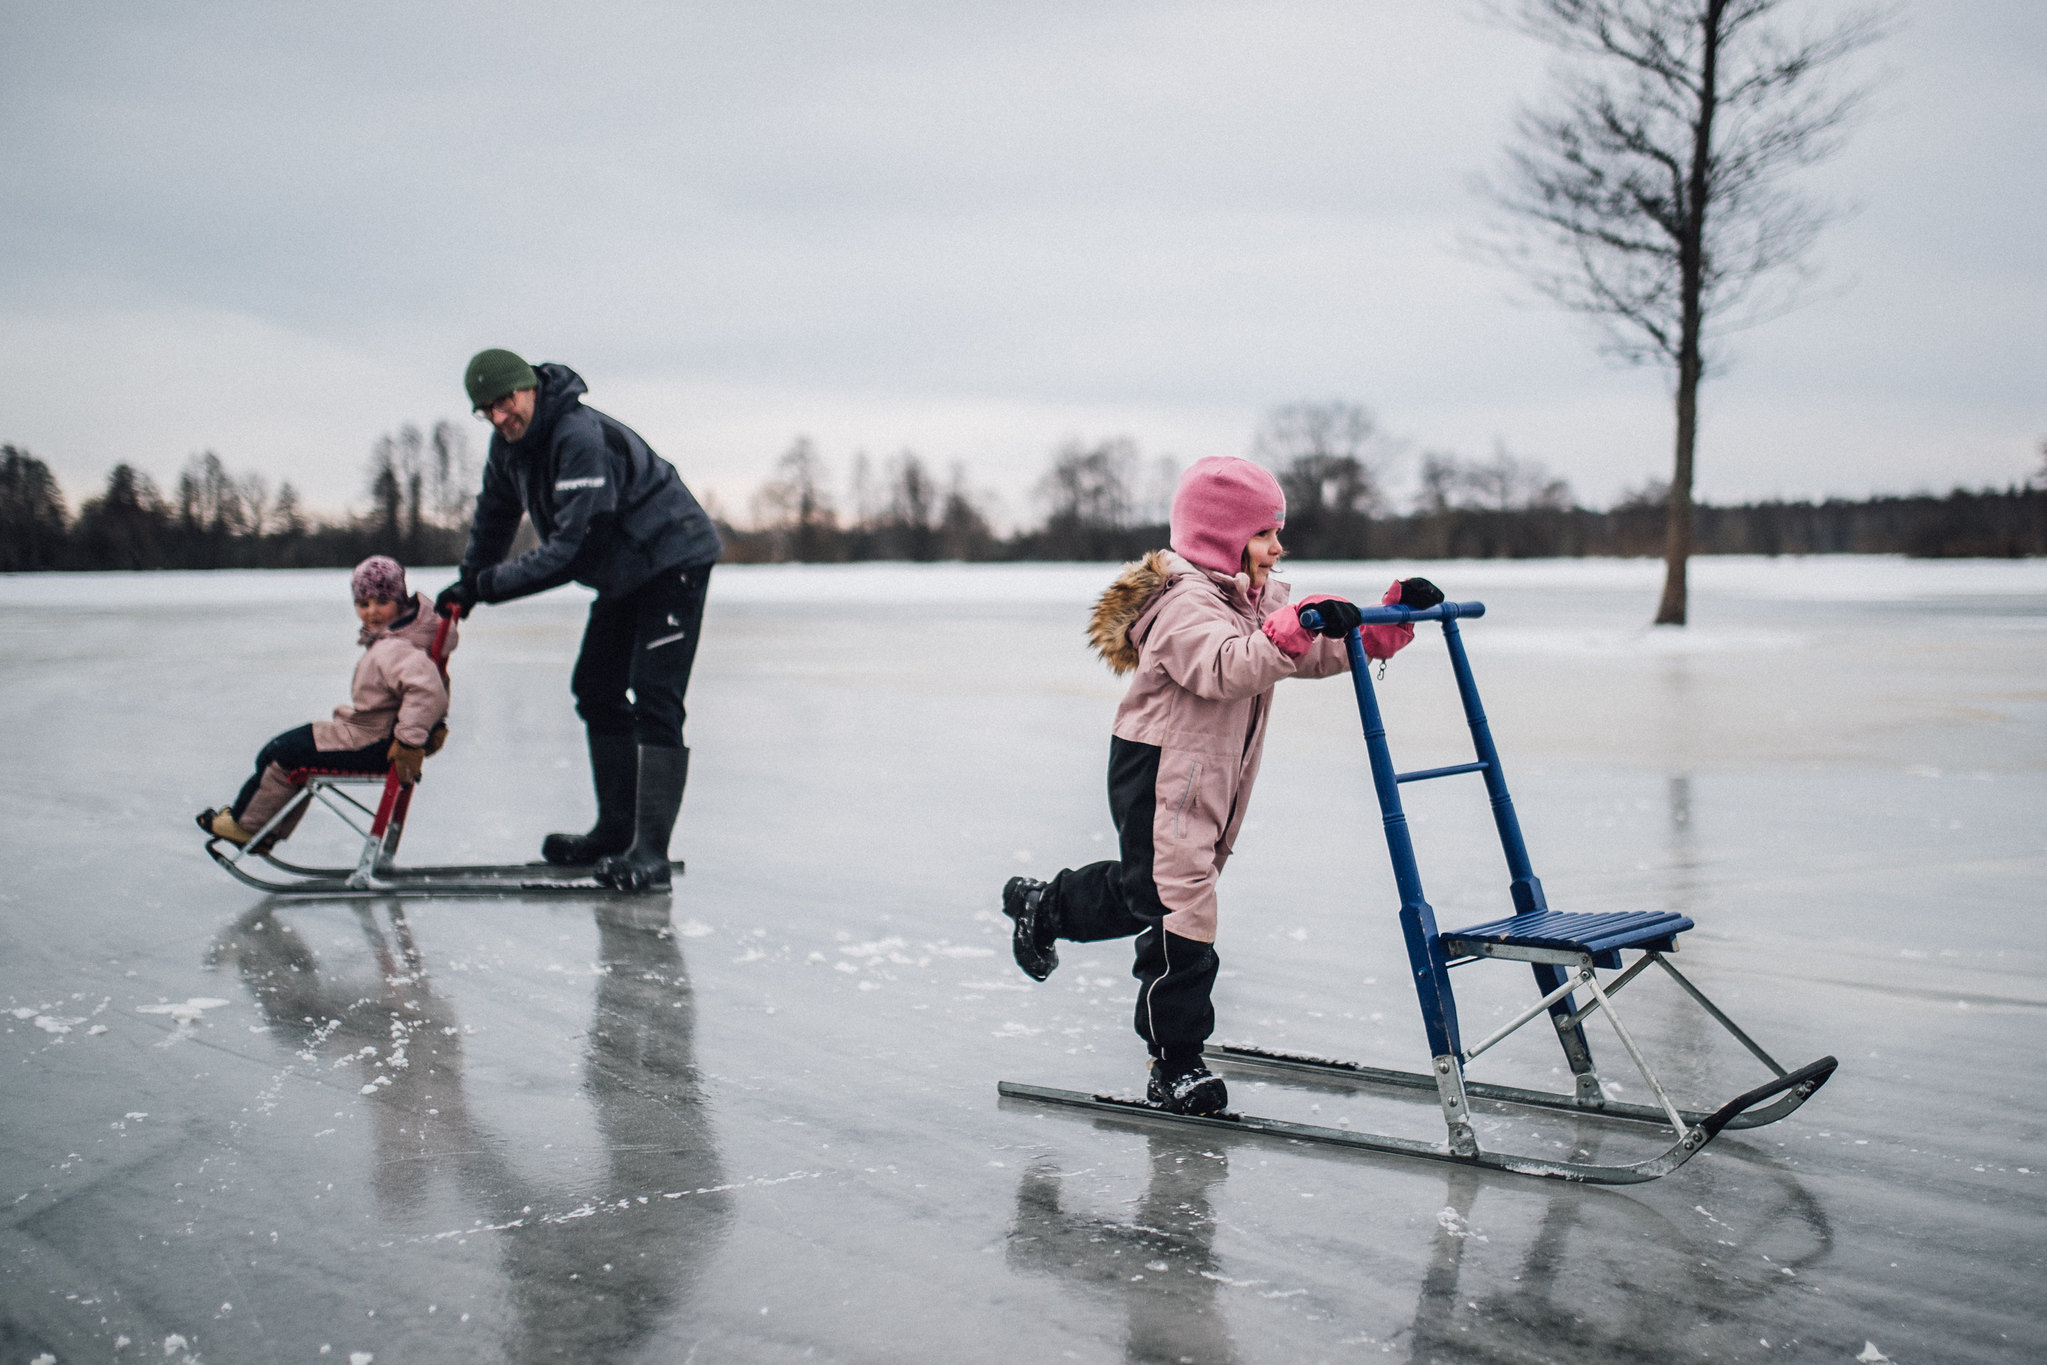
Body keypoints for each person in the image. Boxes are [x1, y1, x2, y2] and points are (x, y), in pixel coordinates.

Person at [1000, 457, 1443, 1115]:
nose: (1276, 547)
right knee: (1182, 904)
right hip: (1159, 769)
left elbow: (1300, 650)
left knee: (1149, 890)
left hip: (1208, 769)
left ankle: (1050, 905)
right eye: (1264, 533)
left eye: (1276, 532)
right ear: (1220, 536)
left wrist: (1374, 629)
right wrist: (1291, 627)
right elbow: (1226, 665)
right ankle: (1175, 1061)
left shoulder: (1255, 597)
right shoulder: (1182, 604)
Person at [436, 349, 722, 892]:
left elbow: (570, 550)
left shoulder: (576, 436)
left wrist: (485, 588)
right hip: (624, 570)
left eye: (505, 403)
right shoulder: (509, 450)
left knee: (654, 696)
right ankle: (616, 831)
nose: (499, 418)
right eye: (486, 411)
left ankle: (650, 855)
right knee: (595, 687)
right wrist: (468, 584)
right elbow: (494, 518)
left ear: (529, 390)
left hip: (672, 558)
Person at [197, 556, 455, 849]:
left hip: (376, 742)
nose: (371, 612)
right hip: (372, 734)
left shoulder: (396, 647)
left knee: (282, 754)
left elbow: (427, 691)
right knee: (282, 751)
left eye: (381, 601)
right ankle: (262, 827)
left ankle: (249, 826)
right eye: (363, 603)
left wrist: (409, 742)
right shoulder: (396, 639)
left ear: (400, 601)